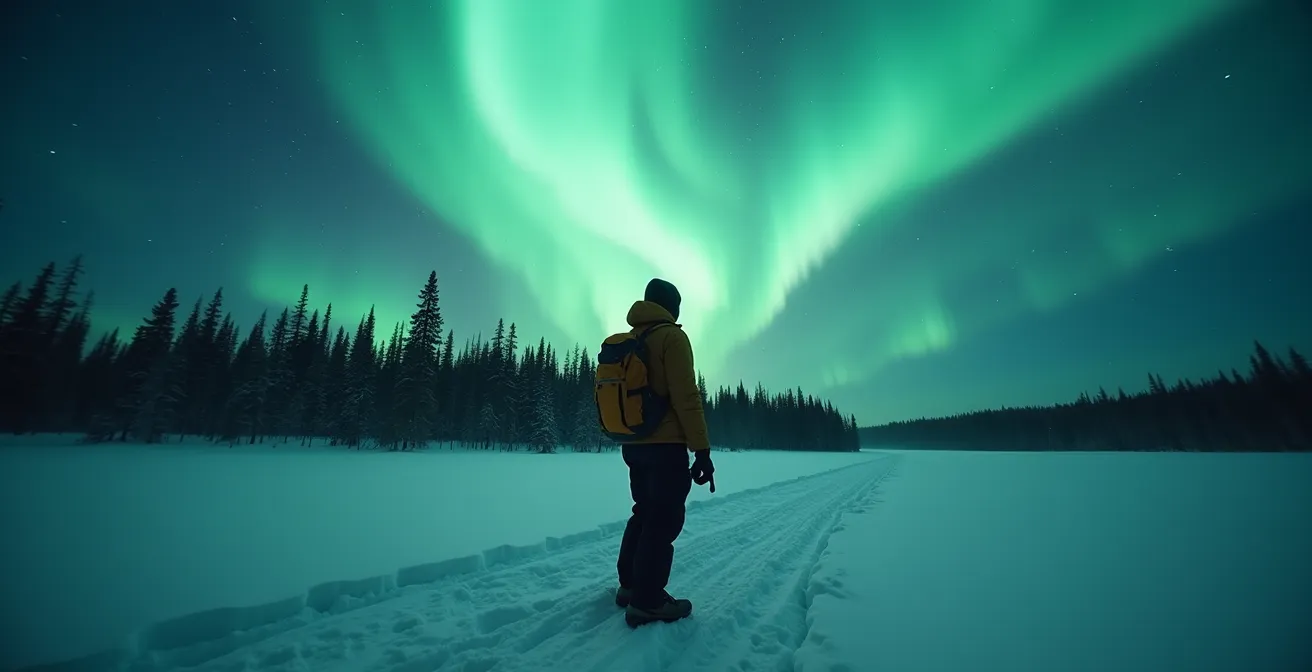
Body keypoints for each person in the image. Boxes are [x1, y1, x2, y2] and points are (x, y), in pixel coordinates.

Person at [613, 278, 715, 628]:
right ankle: (647, 601)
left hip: (633, 445)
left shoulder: (630, 339)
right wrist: (702, 450)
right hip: (666, 446)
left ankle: (630, 586)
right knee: (663, 518)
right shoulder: (672, 337)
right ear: (671, 306)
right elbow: (686, 396)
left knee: (644, 512)